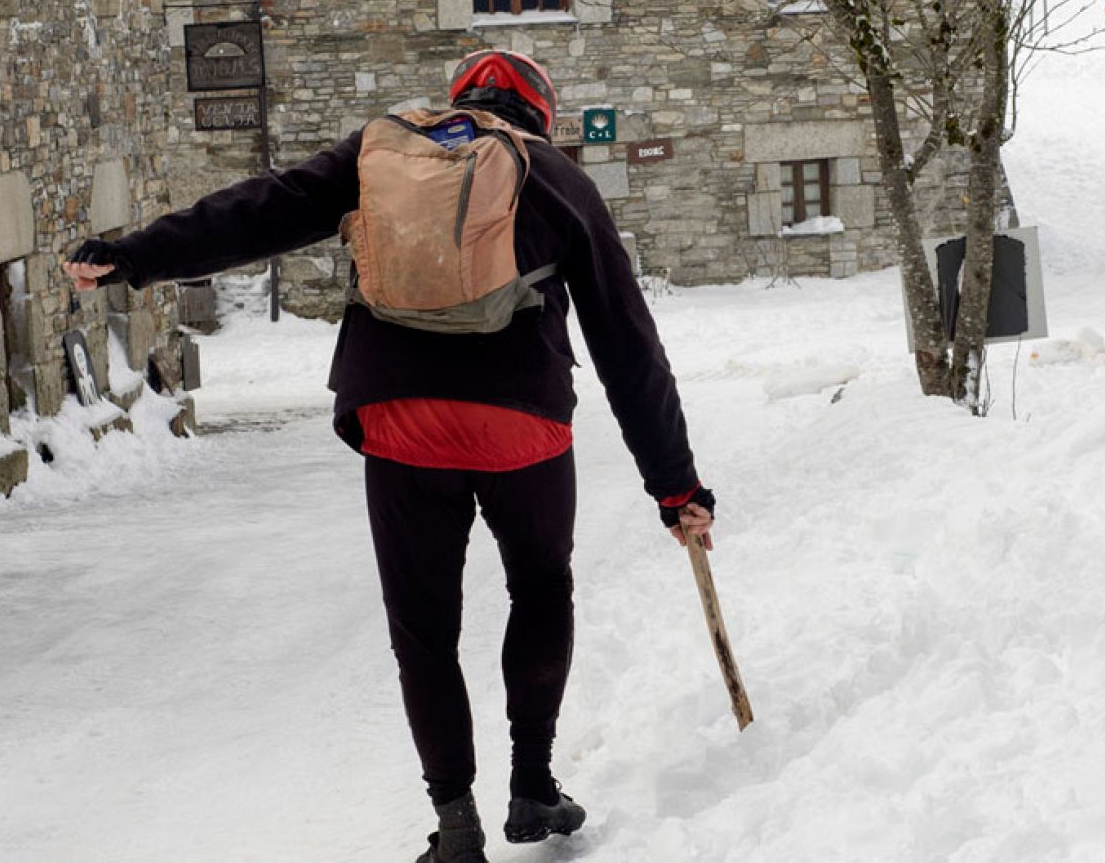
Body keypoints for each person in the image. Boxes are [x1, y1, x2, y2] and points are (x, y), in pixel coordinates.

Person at [61, 48, 716, 863]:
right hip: (524, 427)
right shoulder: (559, 181)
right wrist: (675, 485)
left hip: (399, 418)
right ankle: (534, 787)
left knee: (424, 629)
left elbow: (261, 209)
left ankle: (456, 821)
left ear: (459, 101)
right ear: (541, 112)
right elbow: (628, 346)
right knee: (542, 587)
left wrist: (139, 255)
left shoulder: (380, 152)